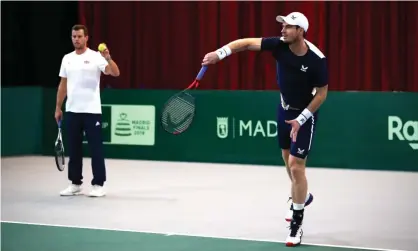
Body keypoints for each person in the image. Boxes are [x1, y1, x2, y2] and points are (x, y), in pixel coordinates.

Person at [201, 12, 328, 247]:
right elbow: (246, 43)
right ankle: (303, 196)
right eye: (283, 26)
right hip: (284, 109)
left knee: (296, 166)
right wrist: (220, 54)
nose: (282, 30)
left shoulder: (316, 60)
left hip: (305, 114)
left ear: (301, 31)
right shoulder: (278, 45)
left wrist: (301, 118)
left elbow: (322, 93)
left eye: (288, 27)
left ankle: (297, 223)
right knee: (285, 156)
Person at [55, 24, 120, 197]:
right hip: (72, 111)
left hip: (92, 111)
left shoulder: (96, 56)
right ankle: (75, 183)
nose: (76, 39)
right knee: (74, 149)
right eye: (73, 36)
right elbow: (63, 85)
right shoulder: (67, 58)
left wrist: (108, 58)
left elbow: (115, 73)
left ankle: (99, 184)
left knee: (95, 148)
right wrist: (58, 107)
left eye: (79, 36)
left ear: (86, 38)